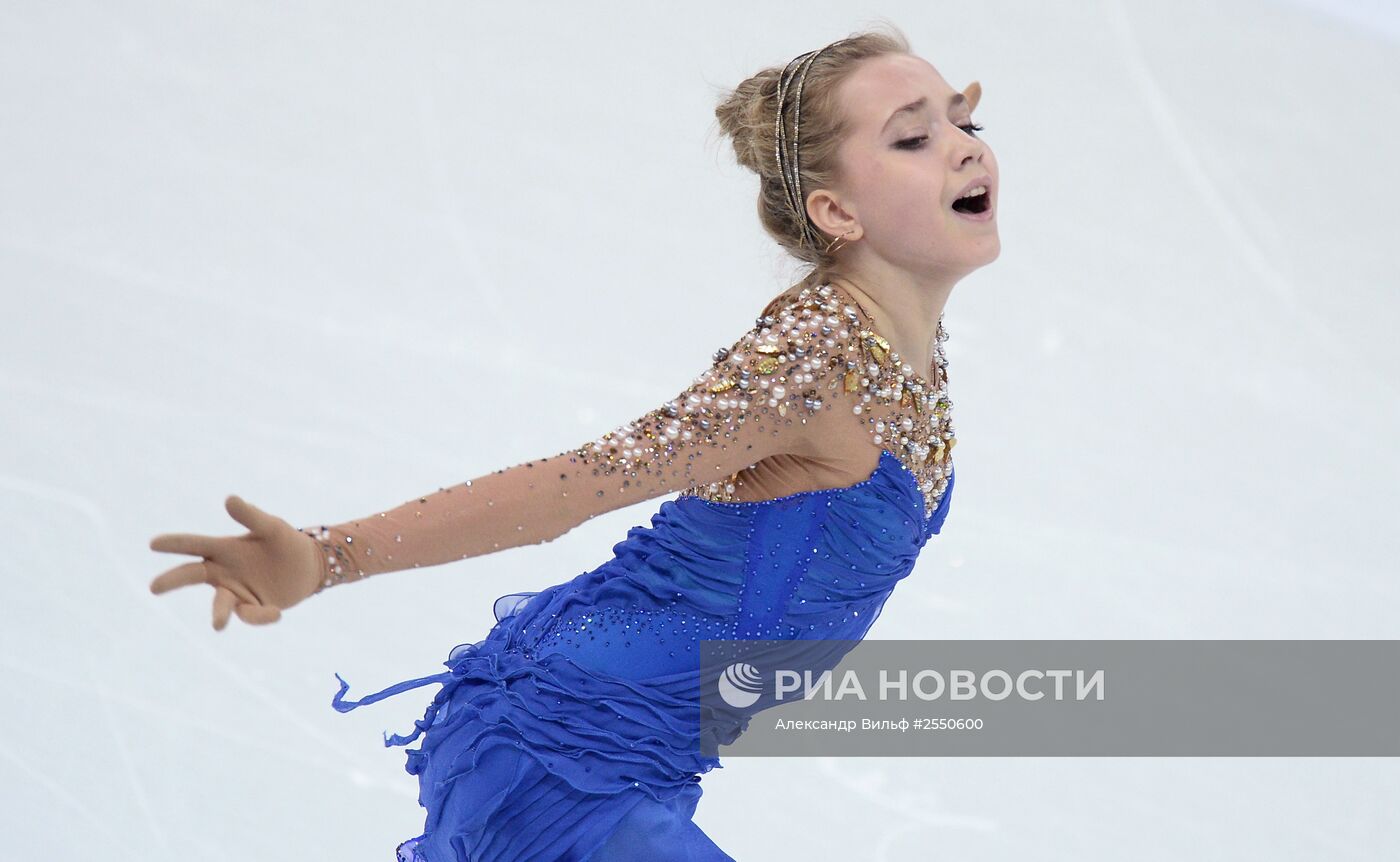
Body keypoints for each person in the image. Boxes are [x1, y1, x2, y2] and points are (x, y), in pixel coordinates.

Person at [148, 24, 998, 862]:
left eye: (964, 123)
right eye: (915, 138)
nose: (962, 148)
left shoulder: (904, 350)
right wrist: (328, 555)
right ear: (835, 209)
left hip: (638, 760)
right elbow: (583, 480)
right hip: (552, 751)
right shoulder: (816, 366)